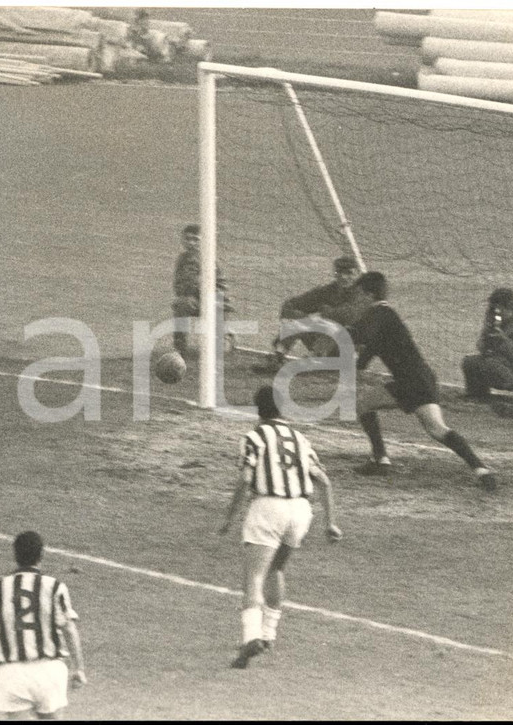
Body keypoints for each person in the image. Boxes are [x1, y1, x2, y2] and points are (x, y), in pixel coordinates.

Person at [219, 385, 341, 670]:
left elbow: (245, 480)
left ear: (258, 410)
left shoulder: (253, 437)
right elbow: (324, 482)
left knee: (254, 577)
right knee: (276, 570)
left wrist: (229, 518)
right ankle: (268, 634)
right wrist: (330, 523)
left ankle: (251, 636)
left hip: (268, 509)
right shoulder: (300, 438)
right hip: (300, 511)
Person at [349, 272, 496, 490]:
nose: (356, 299)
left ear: (369, 294)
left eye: (359, 294)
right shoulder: (384, 317)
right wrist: (356, 364)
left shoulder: (379, 313)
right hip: (421, 379)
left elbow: (358, 334)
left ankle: (380, 459)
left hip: (410, 382)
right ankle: (481, 469)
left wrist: (332, 332)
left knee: (364, 405)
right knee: (437, 428)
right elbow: (369, 350)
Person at [0, 531, 86, 719]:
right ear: (41, 555)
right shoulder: (55, 587)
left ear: (15, 555)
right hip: (49, 671)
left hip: (12, 673)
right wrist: (78, 668)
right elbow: (69, 629)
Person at [252, 255, 364, 373]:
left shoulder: (364, 294)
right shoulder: (329, 290)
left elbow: (347, 316)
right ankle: (278, 357)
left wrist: (321, 315)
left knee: (335, 326)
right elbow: (291, 305)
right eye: (339, 272)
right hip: (325, 344)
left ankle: (312, 362)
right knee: (297, 318)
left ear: (358, 273)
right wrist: (298, 319)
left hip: (346, 351)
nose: (344, 277)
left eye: (349, 273)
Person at [171, 223, 234, 358]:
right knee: (181, 304)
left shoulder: (208, 260)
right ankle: (179, 347)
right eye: (187, 239)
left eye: (195, 239)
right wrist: (186, 293)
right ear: (182, 240)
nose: (191, 243)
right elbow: (178, 285)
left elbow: (219, 288)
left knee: (218, 352)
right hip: (196, 300)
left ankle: (225, 335)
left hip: (216, 302)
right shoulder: (182, 259)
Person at [461, 287, 513, 414]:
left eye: (499, 308)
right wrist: (486, 340)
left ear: (510, 307)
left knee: (492, 365)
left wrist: (504, 341)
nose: (496, 312)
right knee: (470, 362)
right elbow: (481, 346)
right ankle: (478, 395)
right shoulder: (492, 319)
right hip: (497, 362)